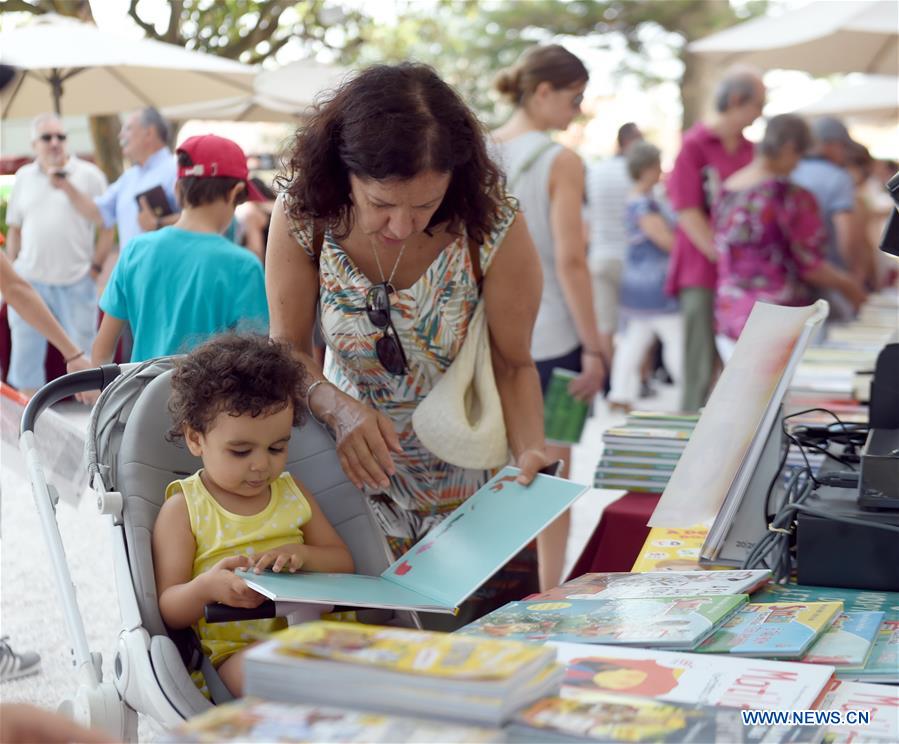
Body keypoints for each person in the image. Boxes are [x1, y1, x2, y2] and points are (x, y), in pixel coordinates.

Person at [266, 63, 557, 622]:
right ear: (343, 173)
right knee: (366, 661)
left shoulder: (490, 223)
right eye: (381, 204)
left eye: (424, 206)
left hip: (470, 489)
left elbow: (513, 363)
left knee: (476, 665)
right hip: (349, 480)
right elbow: (286, 347)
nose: (401, 226)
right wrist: (336, 406)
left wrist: (530, 456)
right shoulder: (305, 217)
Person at [152, 333, 354, 697]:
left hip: (315, 636)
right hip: (237, 654)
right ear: (196, 440)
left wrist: (304, 556)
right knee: (291, 677)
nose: (262, 465)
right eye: (241, 451)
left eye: (277, 447)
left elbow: (344, 562)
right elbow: (169, 606)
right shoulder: (185, 509)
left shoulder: (292, 493)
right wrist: (207, 587)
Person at [491, 45, 611, 590]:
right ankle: (548, 593)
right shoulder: (560, 160)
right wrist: (596, 345)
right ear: (543, 92)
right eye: (575, 97)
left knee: (498, 474)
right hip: (557, 338)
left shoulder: (480, 153)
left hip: (491, 336)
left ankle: (497, 592)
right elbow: (570, 259)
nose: (577, 111)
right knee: (555, 471)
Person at [90, 134, 269, 367]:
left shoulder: (135, 250)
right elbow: (254, 361)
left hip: (143, 399)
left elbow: (102, 351)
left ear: (177, 190)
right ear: (236, 192)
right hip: (213, 402)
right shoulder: (243, 266)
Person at [713, 115, 866, 361]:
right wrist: (851, 287)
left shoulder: (729, 188)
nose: (798, 166)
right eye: (799, 156)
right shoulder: (788, 195)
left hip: (731, 314)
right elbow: (810, 265)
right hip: (778, 320)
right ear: (788, 148)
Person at [667, 67, 764, 411]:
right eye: (758, 105)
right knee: (699, 365)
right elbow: (687, 211)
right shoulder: (694, 145)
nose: (760, 114)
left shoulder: (752, 151)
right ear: (736, 101)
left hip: (742, 275)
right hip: (702, 269)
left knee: (742, 366)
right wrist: (723, 258)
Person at [4, 113, 109, 395]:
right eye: (47, 137)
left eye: (60, 136)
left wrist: (96, 268)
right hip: (30, 280)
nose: (55, 143)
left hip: (76, 280)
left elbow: (105, 223)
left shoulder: (89, 175)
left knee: (84, 359)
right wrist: (11, 269)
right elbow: (15, 229)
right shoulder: (24, 176)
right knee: (25, 358)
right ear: (34, 143)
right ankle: (25, 423)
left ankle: (89, 429)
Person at [607, 142, 682, 410]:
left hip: (639, 280)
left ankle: (619, 393)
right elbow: (663, 239)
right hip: (653, 282)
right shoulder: (643, 204)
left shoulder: (640, 199)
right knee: (674, 335)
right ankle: (687, 389)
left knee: (635, 338)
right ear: (647, 168)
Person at [56, 107, 178, 251]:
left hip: (165, 270)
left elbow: (201, 219)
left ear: (149, 133)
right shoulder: (128, 177)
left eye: (128, 129)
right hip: (131, 271)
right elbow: (97, 213)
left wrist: (159, 223)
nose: (120, 135)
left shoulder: (177, 170)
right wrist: (64, 184)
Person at [585, 122, 644, 339]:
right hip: (630, 259)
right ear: (629, 142)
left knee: (604, 325)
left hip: (599, 256)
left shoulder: (595, 172)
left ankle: (610, 372)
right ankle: (639, 373)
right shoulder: (635, 173)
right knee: (638, 325)